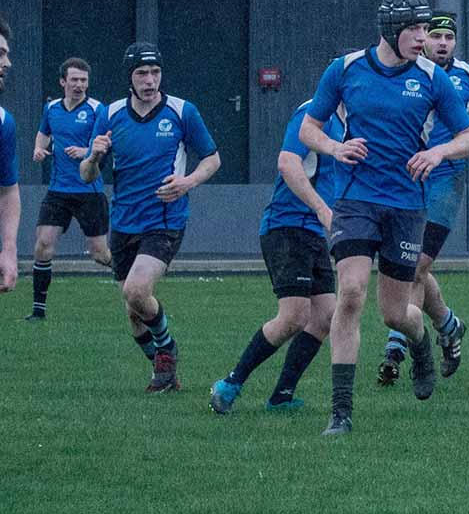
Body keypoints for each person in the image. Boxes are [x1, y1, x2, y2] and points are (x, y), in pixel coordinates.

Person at [302, 0, 469, 435]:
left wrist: (439, 152)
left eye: (426, 29)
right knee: (351, 294)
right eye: (415, 30)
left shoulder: (432, 79)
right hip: (355, 199)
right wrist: (335, 147)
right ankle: (340, 413)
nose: (423, 38)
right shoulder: (344, 70)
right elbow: (309, 128)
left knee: (395, 313)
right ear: (390, 30)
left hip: (406, 205)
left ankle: (420, 345)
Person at [376, 11, 469, 386]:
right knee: (408, 265)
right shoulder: (406, 72)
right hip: (403, 181)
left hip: (444, 181)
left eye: (447, 37)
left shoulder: (467, 75)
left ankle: (396, 343)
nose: (440, 42)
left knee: (417, 265)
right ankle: (449, 324)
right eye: (434, 35)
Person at [80, 43, 222, 392]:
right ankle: (165, 371)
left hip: (165, 219)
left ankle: (168, 350)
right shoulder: (110, 113)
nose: (150, 80)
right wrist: (94, 156)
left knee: (137, 290)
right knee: (133, 313)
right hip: (124, 222)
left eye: (155, 72)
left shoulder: (182, 111)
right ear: (129, 77)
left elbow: (212, 159)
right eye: (142, 73)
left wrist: (187, 182)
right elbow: (85, 174)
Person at [209, 97, 347, 414]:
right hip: (286, 226)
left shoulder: (348, 122)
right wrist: (323, 209)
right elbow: (287, 163)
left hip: (311, 231)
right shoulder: (313, 113)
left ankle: (281, 396)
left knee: (326, 316)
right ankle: (230, 384)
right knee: (294, 316)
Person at [27, 57, 111, 319]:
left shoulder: (98, 109)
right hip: (58, 190)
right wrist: (38, 149)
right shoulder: (51, 108)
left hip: (89, 190)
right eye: (74, 80)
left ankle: (133, 278)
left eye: (83, 80)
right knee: (43, 245)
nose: (79, 85)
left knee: (99, 254)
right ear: (63, 81)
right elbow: (44, 133)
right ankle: (38, 311)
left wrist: (85, 152)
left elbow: (103, 143)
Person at [0, 19, 18, 303]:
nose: (8, 63)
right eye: (1, 53)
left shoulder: (3, 121)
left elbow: (7, 190)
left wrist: (9, 250)